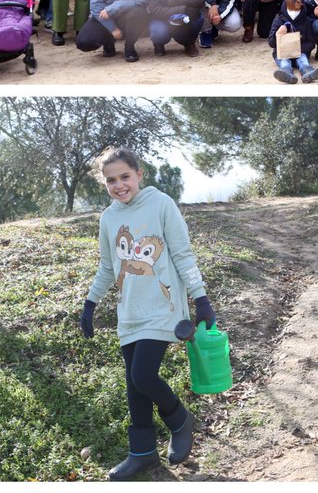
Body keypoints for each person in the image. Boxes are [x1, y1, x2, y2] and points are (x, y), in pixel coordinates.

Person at [80, 146, 214, 479]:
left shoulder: (160, 204)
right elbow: (108, 268)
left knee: (143, 375)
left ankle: (179, 419)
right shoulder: (109, 218)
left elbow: (183, 255)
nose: (119, 185)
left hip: (164, 308)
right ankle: (142, 453)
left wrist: (201, 298)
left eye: (125, 176)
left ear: (139, 174)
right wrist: (90, 303)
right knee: (133, 385)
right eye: (111, 180)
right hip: (130, 312)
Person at [269, 0, 318, 83]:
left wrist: (297, 50)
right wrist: (278, 34)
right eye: (291, 10)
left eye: (297, 10)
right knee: (285, 62)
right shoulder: (278, 20)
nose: (294, 13)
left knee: (303, 61)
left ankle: (308, 73)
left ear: (302, 7)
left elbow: (311, 43)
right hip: (283, 53)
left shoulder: (306, 21)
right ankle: (287, 74)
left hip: (301, 52)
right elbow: (271, 43)